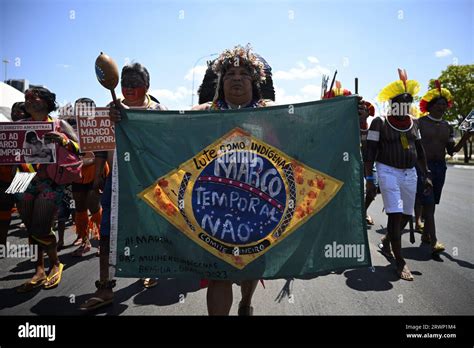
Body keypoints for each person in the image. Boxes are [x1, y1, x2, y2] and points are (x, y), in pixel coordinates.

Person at [79, 62, 167, 311]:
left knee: (148, 229)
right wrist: (97, 177)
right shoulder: (110, 110)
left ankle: (148, 268)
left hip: (149, 183)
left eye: (135, 84)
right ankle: (104, 287)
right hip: (115, 183)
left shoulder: (160, 111)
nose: (128, 88)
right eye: (125, 83)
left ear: (146, 86)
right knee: (107, 232)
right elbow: (100, 149)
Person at [365, 70, 432, 281]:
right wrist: (369, 179)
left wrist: (427, 174)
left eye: (407, 104)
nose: (403, 109)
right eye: (399, 104)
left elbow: (420, 151)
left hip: (409, 173)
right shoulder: (379, 123)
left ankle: (386, 242)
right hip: (387, 171)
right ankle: (400, 260)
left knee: (406, 214)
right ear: (392, 104)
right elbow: (369, 153)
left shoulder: (415, 124)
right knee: (394, 213)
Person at [15, 87, 80, 292]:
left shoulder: (59, 124)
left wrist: (64, 141)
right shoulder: (16, 127)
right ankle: (39, 269)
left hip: (50, 182)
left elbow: (81, 148)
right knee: (30, 226)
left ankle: (55, 264)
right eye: (26, 98)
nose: (29, 101)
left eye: (34, 97)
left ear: (47, 101)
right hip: (22, 180)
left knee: (41, 227)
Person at [414, 81, 473, 254]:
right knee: (430, 205)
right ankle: (434, 241)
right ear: (430, 106)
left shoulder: (449, 127)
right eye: (438, 104)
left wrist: (466, 136)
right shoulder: (420, 123)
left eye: (444, 105)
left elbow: (452, 151)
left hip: (441, 168)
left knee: (432, 204)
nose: (441, 107)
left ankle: (425, 235)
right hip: (423, 168)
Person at [70, 98, 109, 257]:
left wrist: (93, 161)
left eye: (85, 109)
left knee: (94, 205)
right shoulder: (71, 128)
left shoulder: (100, 124)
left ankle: (102, 242)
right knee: (79, 207)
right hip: (77, 173)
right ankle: (84, 241)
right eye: (78, 109)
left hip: (97, 171)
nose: (82, 112)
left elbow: (105, 149)